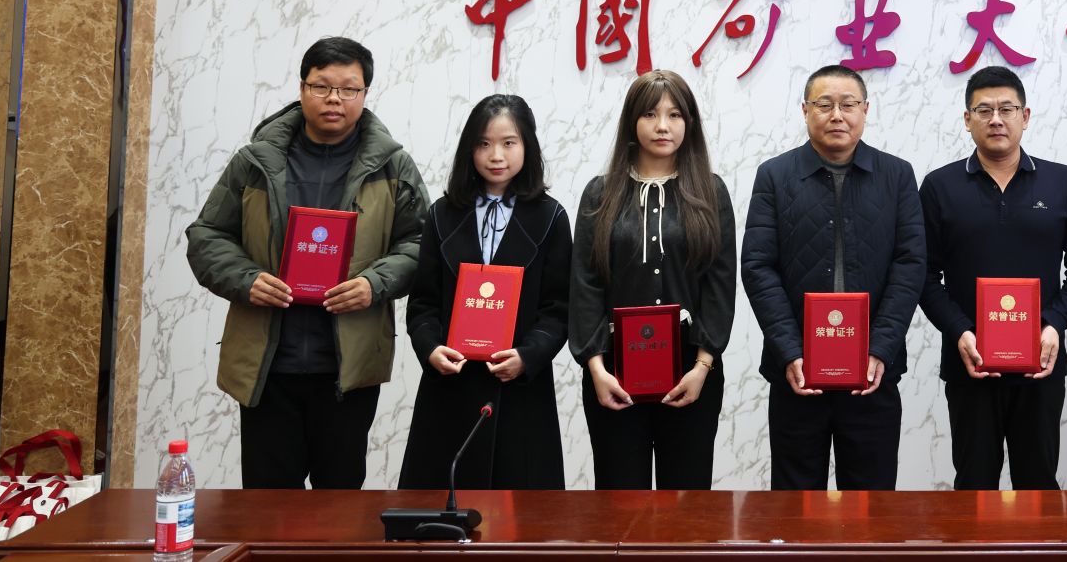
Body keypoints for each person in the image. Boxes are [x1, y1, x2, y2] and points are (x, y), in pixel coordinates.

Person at [186, 36, 428, 488]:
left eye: (348, 88)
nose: (334, 98)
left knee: (339, 505)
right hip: (267, 365)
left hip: (347, 367)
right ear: (302, 88)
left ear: (365, 93)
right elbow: (206, 235)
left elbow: (420, 243)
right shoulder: (256, 161)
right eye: (321, 86)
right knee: (268, 505)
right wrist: (247, 279)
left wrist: (374, 283)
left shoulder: (392, 167)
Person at [741, 64, 925, 489]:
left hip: (872, 373)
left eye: (848, 104)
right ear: (805, 111)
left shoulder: (896, 175)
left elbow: (911, 263)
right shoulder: (775, 176)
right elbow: (757, 265)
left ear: (866, 110)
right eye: (824, 105)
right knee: (795, 502)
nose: (837, 115)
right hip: (798, 374)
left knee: (871, 503)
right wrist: (791, 351)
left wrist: (880, 348)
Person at [918, 65, 1067, 489]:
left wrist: (1055, 322)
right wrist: (959, 330)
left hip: (1041, 361)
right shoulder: (939, 186)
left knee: (1037, 483)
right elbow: (922, 273)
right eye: (984, 110)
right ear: (967, 119)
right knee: (973, 483)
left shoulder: (1062, 182)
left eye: (1007, 109)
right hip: (970, 362)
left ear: (1025, 116)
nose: (996, 119)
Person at [568, 69, 738, 488]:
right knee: (621, 501)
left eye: (675, 115)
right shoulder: (600, 193)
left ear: (689, 123)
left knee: (688, 500)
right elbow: (585, 285)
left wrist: (702, 367)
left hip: (691, 371)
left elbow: (719, 285)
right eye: (650, 114)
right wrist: (596, 368)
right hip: (614, 373)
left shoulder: (711, 192)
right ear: (632, 121)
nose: (663, 126)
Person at [396, 94, 572, 489]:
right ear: (469, 149)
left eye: (509, 143)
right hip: (451, 389)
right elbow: (423, 303)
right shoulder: (442, 213)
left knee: (522, 515)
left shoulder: (551, 217)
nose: (496, 155)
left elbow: (559, 308)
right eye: (484, 143)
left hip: (520, 393)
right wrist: (431, 348)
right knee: (442, 509)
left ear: (527, 146)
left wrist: (527, 356)